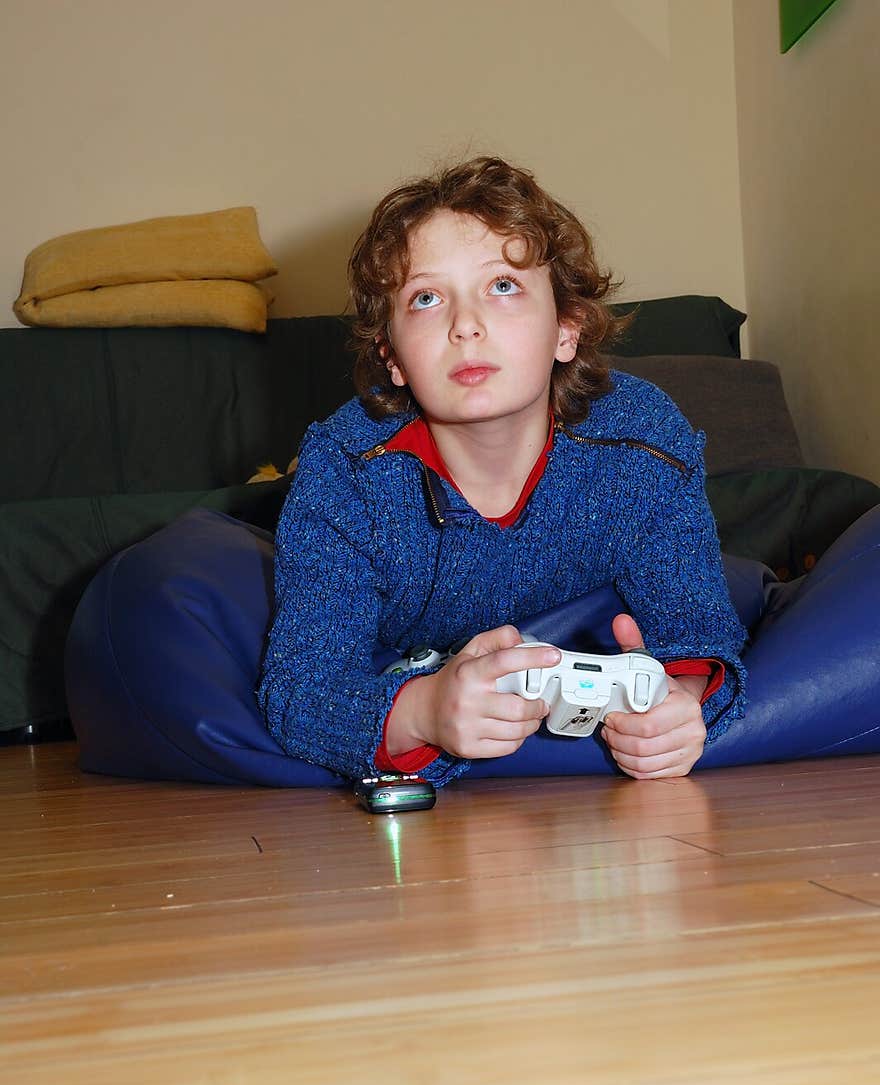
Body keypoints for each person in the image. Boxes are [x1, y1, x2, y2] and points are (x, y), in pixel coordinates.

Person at [258, 155, 748, 785]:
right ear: (394, 358)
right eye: (427, 298)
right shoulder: (345, 471)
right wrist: (424, 711)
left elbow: (701, 632)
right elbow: (301, 689)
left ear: (566, 329)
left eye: (503, 286)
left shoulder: (643, 440)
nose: (466, 325)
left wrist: (680, 703)